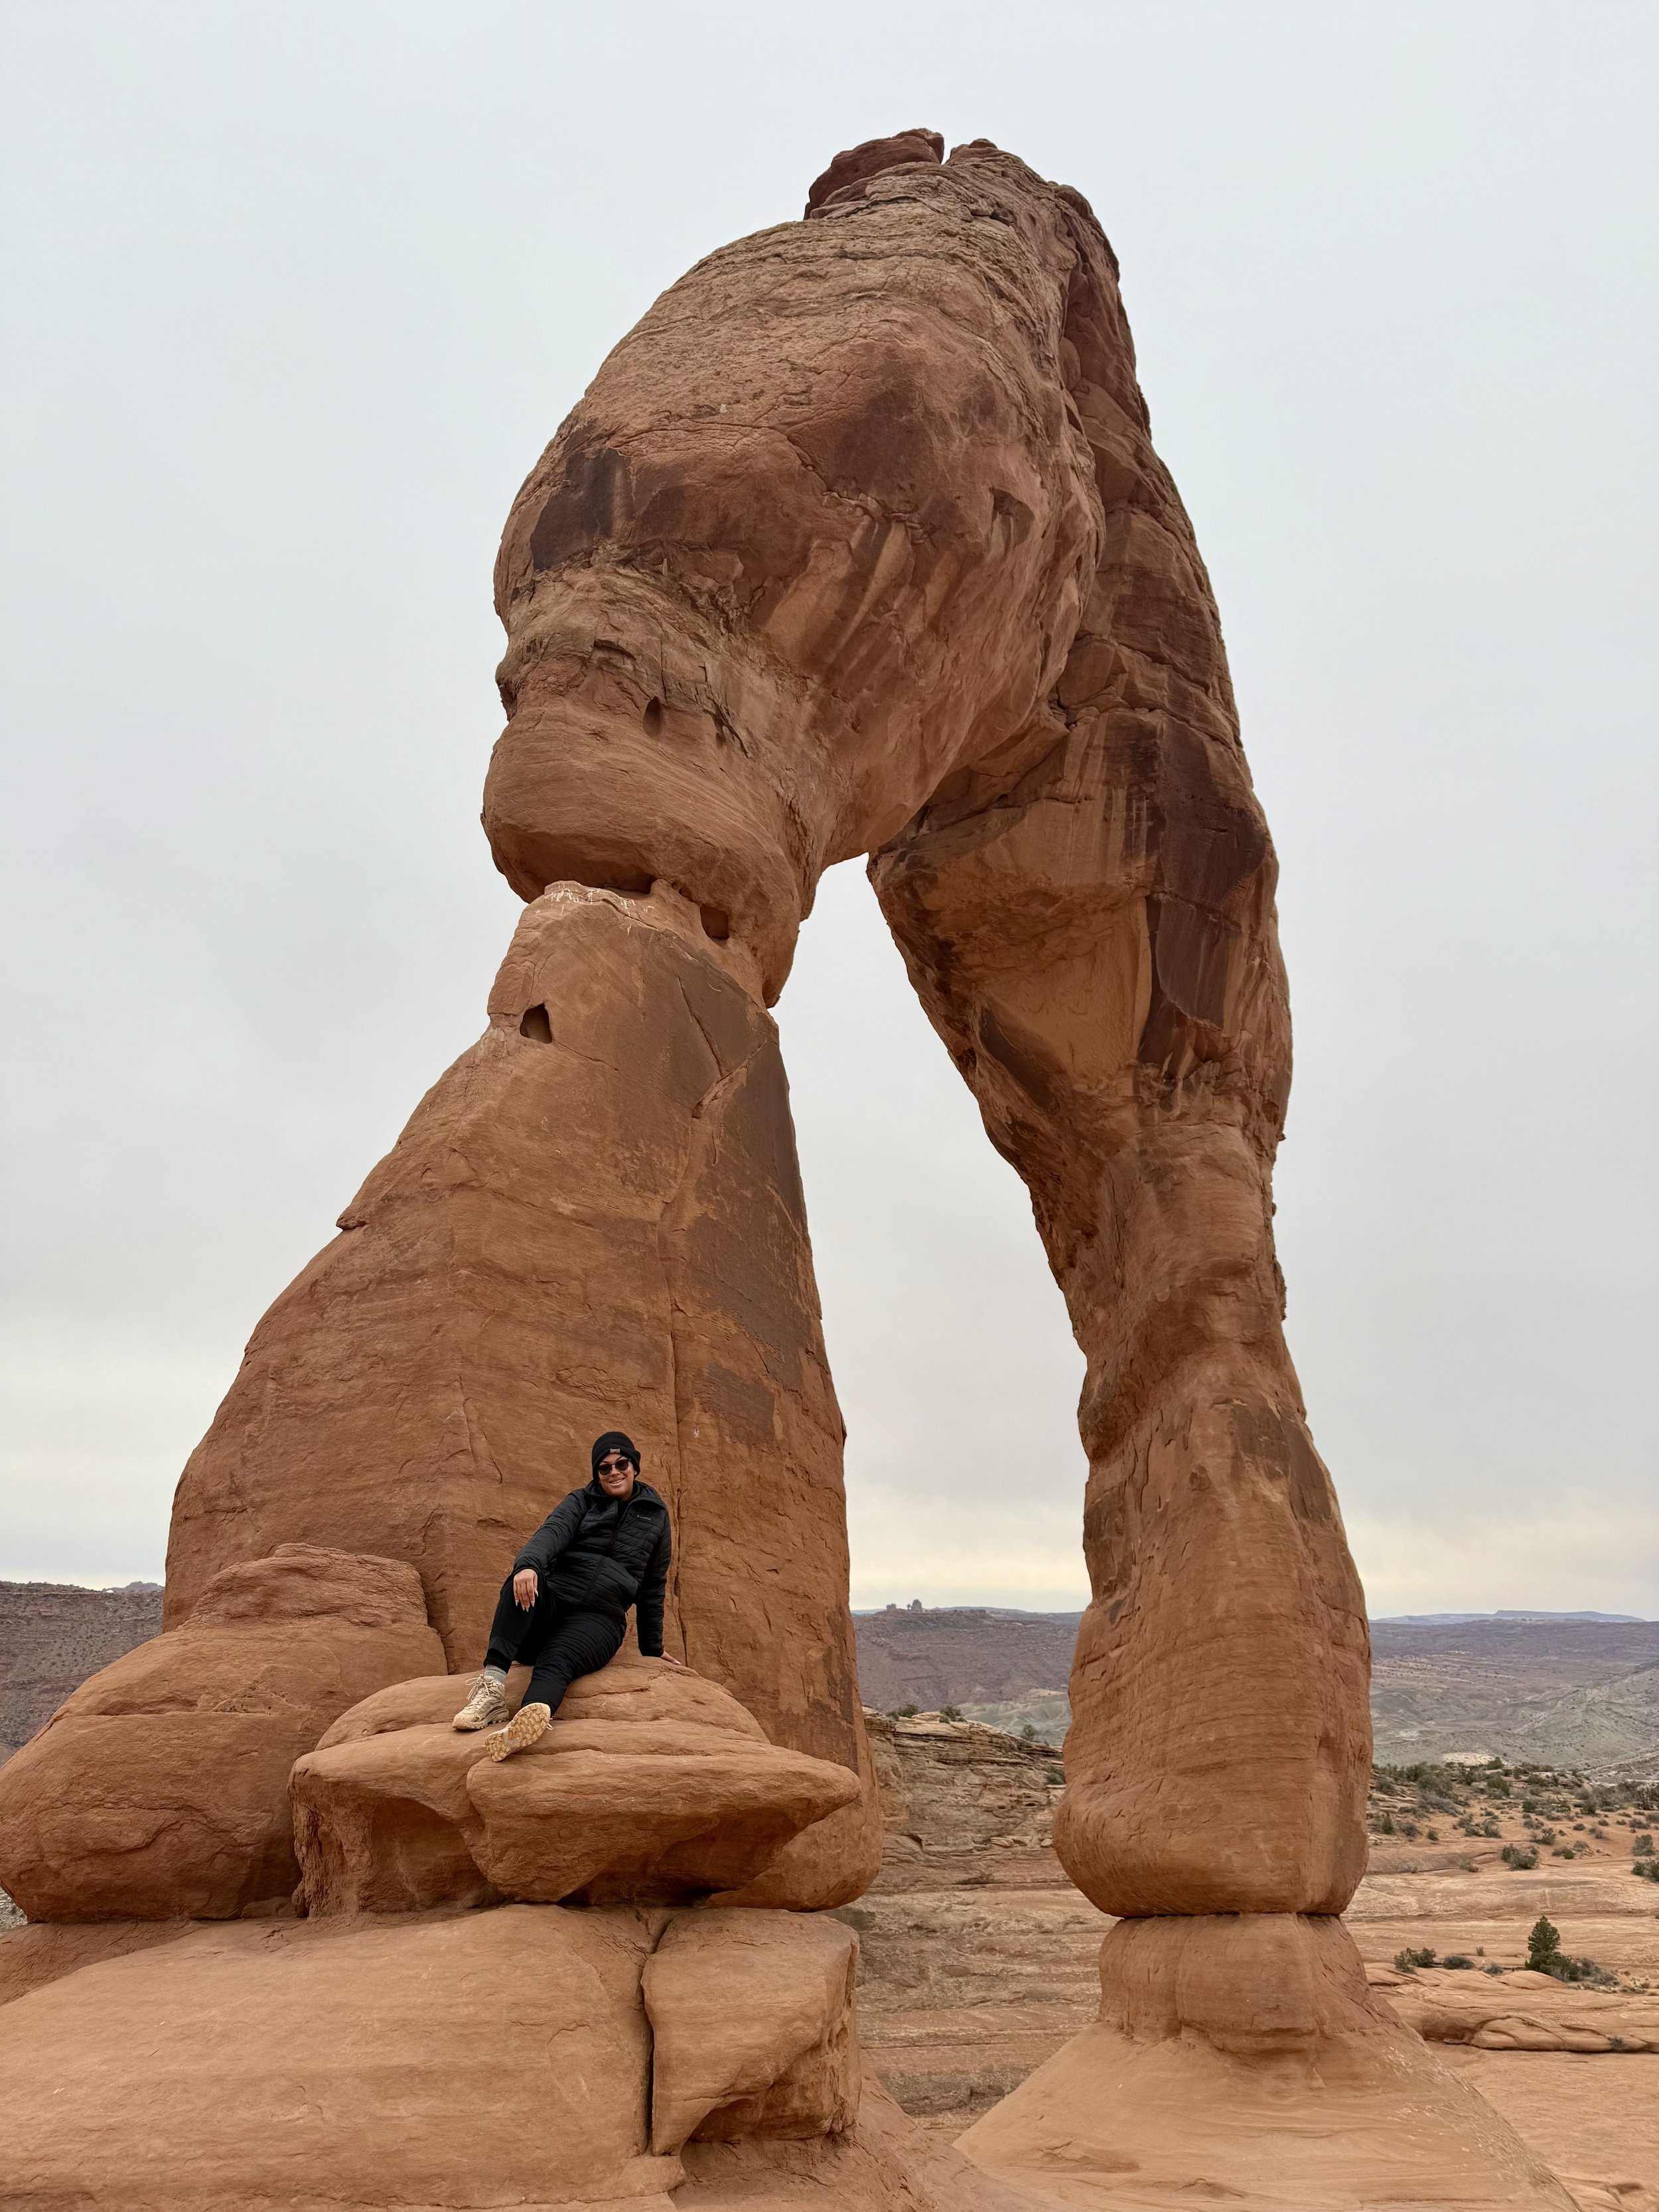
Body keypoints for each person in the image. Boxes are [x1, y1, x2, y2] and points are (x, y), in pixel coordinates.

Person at [452, 1430, 679, 1759]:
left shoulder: (656, 1515)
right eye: (605, 1468)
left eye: (621, 1464)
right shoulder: (581, 1501)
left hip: (600, 1619)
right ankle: (491, 1691)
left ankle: (525, 1721)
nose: (614, 1472)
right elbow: (552, 1533)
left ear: (635, 1466)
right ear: (596, 1473)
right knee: (520, 1582)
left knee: (557, 1660)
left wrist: (652, 1649)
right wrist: (528, 1565)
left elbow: (654, 1585)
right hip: (554, 1601)